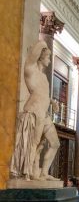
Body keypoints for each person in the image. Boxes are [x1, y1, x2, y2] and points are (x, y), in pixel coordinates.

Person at [10, 40, 60, 180]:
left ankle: (44, 173)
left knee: (55, 143)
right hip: (34, 112)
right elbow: (33, 53)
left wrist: (51, 102)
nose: (49, 61)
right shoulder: (30, 71)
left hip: (44, 114)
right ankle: (28, 172)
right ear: (40, 56)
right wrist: (44, 42)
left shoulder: (44, 77)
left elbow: (42, 94)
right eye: (48, 57)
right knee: (34, 144)